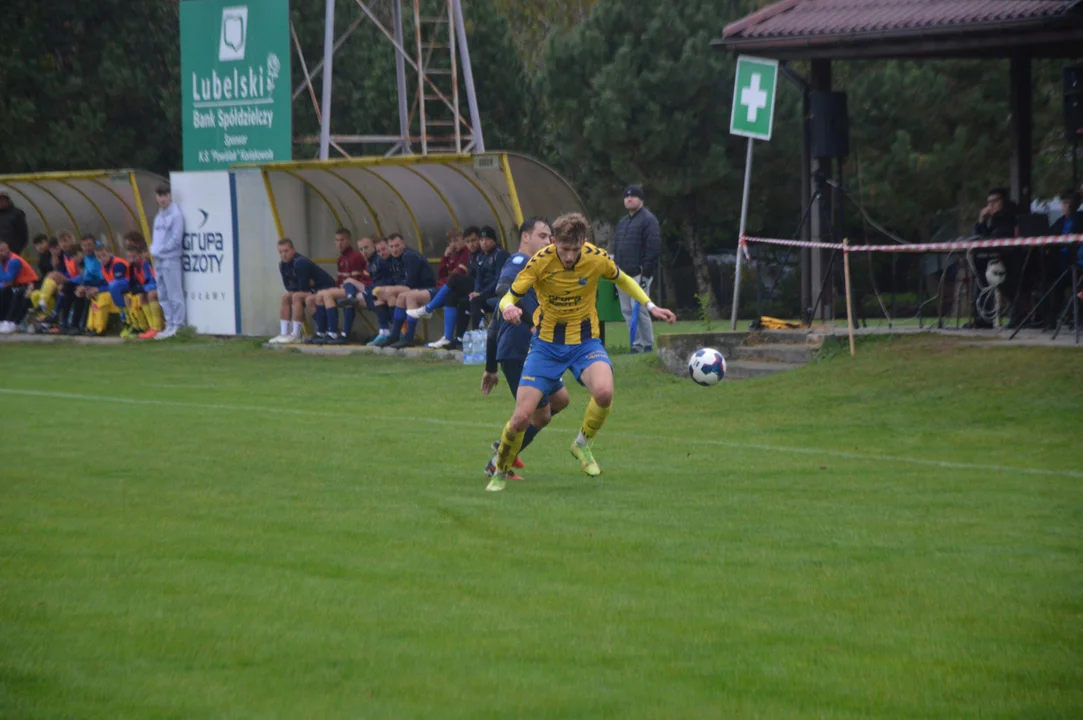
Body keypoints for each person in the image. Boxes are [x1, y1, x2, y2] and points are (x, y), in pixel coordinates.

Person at [485, 213, 676, 492]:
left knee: (604, 392)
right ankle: (499, 470)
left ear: (583, 243)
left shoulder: (595, 257)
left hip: (585, 343)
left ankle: (582, 445)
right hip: (546, 347)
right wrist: (509, 308)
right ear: (554, 242)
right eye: (564, 250)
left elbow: (622, 279)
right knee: (522, 418)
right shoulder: (539, 262)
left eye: (575, 250)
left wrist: (649, 306)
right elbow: (508, 295)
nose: (570, 256)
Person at [480, 218, 571, 481]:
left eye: (550, 237)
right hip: (519, 350)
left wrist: (489, 367)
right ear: (526, 238)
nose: (548, 241)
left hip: (536, 350)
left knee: (560, 400)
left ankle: (508, 446)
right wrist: (532, 319)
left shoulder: (537, 270)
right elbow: (502, 289)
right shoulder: (519, 263)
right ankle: (500, 462)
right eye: (543, 236)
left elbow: (494, 324)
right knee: (540, 416)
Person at [401, 228, 472, 348]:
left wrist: (452, 274)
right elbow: (442, 275)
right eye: (451, 242)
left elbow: (457, 275)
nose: (454, 244)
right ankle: (396, 335)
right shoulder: (453, 254)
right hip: (444, 287)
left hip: (452, 288)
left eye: (457, 240)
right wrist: (445, 257)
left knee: (412, 296)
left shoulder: (467, 253)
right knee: (404, 296)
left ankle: (410, 335)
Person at [613, 184, 661, 354]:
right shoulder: (623, 222)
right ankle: (636, 343)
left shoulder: (649, 220)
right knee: (626, 310)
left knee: (640, 309)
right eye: (626, 196)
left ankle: (647, 344)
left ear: (640, 199)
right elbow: (617, 246)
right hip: (621, 275)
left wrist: (646, 273)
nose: (629, 199)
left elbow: (653, 248)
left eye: (633, 196)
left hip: (638, 274)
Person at [369, 233, 436, 348]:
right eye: (392, 246)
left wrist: (391, 289)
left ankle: (406, 336)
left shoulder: (410, 256)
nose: (394, 249)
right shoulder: (396, 259)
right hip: (411, 289)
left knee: (392, 292)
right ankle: (392, 333)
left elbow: (410, 282)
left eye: (397, 246)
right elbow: (397, 280)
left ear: (403, 244)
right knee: (381, 293)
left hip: (426, 290)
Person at [309, 228, 371, 345]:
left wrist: (340, 289)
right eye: (337, 240)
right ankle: (322, 332)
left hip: (355, 290)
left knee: (328, 294)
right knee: (318, 296)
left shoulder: (356, 257)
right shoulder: (341, 259)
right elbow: (339, 281)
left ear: (349, 240)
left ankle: (333, 332)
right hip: (345, 289)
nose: (339, 243)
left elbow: (355, 281)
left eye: (342, 240)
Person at [269, 238, 335, 344]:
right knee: (286, 296)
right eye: (280, 252)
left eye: (286, 251)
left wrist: (299, 286)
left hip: (324, 288)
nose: (283, 255)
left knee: (297, 296)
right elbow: (288, 286)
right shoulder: (282, 265)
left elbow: (303, 287)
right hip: (309, 289)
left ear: (293, 251)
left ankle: (295, 334)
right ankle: (284, 333)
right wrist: (299, 285)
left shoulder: (300, 262)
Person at [150, 184, 185, 339]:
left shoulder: (176, 215)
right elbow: (156, 238)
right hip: (158, 260)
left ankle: (178, 324)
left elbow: (176, 238)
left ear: (170, 196)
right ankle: (169, 323)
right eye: (159, 196)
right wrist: (154, 250)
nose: (162, 199)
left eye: (165, 196)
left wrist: (162, 249)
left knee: (174, 293)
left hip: (171, 259)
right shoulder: (158, 217)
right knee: (162, 293)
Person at [82, 243, 131, 335]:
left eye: (104, 255)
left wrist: (98, 289)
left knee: (103, 295)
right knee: (95, 295)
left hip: (129, 291)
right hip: (118, 293)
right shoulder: (104, 267)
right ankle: (91, 327)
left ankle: (100, 328)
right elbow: (106, 283)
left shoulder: (117, 264)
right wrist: (92, 289)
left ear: (110, 253)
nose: (102, 259)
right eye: (99, 257)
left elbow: (117, 285)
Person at [468, 226, 508, 330]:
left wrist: (481, 294)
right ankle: (459, 338)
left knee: (476, 301)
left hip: (497, 294)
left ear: (493, 240)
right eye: (481, 240)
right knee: (465, 301)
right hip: (484, 294)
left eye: (487, 239)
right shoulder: (480, 256)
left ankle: (476, 333)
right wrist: (476, 291)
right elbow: (478, 278)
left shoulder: (500, 254)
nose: (484, 243)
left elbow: (499, 279)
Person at [0, 239, 39, 333]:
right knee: (5, 291)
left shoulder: (14, 261)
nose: (1, 252)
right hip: (17, 286)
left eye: (3, 250)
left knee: (11, 293)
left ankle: (9, 321)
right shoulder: (5, 261)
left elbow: (8, 278)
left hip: (29, 285)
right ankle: (3, 321)